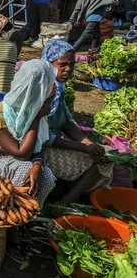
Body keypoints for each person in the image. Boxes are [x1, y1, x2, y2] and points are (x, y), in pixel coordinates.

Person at [0, 60, 58, 205]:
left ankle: (28, 214)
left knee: (45, 175)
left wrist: (38, 164)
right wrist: (36, 117)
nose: (52, 90)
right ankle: (14, 214)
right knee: (26, 172)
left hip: (18, 160)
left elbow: (39, 146)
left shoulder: (40, 110)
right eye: (48, 86)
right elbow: (21, 153)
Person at [40, 40, 112, 203]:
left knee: (105, 155)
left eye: (72, 64)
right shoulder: (44, 90)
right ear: (48, 64)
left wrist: (87, 144)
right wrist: (83, 148)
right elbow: (44, 136)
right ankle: (67, 201)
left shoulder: (59, 88)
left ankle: (70, 195)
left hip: (57, 143)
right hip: (43, 149)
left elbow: (66, 124)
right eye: (62, 64)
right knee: (101, 160)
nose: (68, 69)